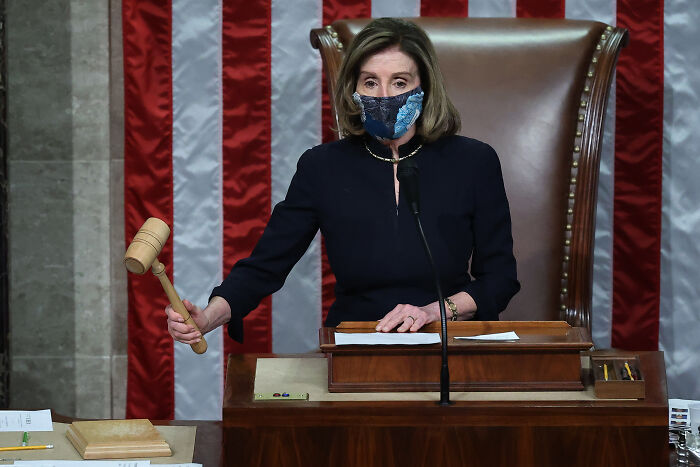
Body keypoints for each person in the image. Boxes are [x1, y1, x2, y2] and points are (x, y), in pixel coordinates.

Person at [166, 18, 520, 346]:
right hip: (357, 341)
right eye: (370, 82)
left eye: (400, 81)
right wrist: (210, 315)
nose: (384, 95)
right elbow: (266, 265)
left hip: (448, 341)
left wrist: (431, 312)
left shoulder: (474, 162)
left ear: (424, 86)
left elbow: (499, 278)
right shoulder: (322, 167)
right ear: (354, 90)